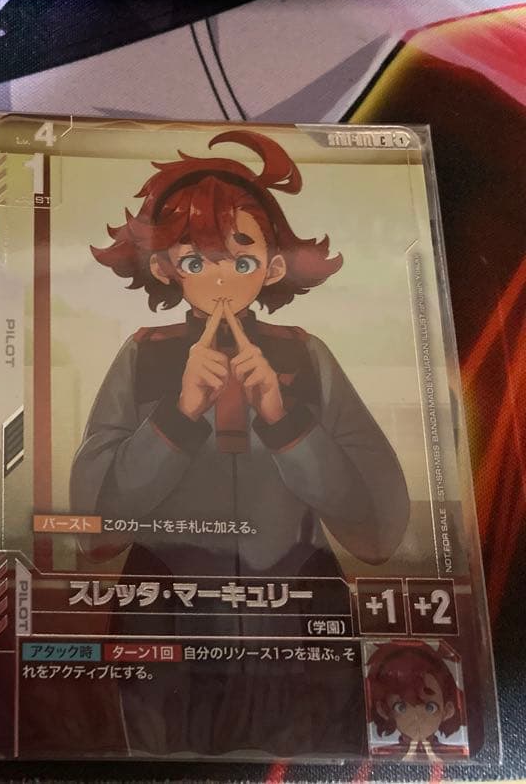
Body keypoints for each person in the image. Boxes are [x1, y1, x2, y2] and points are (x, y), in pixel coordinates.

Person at [70, 129, 411, 755]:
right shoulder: (144, 356)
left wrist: (285, 421)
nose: (221, 278)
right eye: (197, 261)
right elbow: (95, 528)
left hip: (300, 628)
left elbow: (378, 529)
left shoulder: (306, 356)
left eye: (243, 259)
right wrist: (177, 416)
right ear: (166, 266)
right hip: (167, 630)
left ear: (274, 265)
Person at [366, 641, 466, 760]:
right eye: (401, 708)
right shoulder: (381, 756)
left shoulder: (456, 756)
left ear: (447, 710)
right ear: (383, 710)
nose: (417, 716)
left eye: (430, 707)